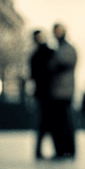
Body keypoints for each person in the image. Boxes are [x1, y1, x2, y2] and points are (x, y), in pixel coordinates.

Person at [49, 23, 77, 158]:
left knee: (64, 122)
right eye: (55, 32)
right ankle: (62, 150)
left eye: (59, 31)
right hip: (58, 91)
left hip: (63, 92)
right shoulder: (60, 49)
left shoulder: (66, 49)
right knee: (59, 123)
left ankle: (68, 150)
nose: (56, 34)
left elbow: (61, 64)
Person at [29, 30, 54, 159]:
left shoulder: (36, 55)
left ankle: (38, 150)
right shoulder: (48, 52)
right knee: (48, 122)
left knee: (44, 123)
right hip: (48, 92)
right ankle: (42, 150)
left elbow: (33, 76)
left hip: (44, 92)